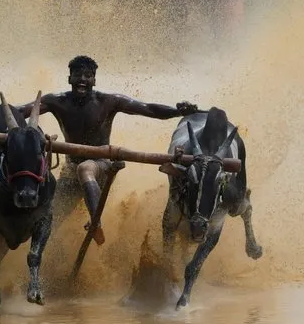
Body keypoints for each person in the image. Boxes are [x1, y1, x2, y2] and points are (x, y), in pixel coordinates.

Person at [16, 56, 199, 245]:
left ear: (94, 80)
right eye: (78, 75)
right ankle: (53, 264)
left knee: (85, 169)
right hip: (71, 170)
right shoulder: (56, 101)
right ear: (69, 78)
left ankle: (96, 223)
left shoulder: (109, 101)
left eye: (88, 76)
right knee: (48, 222)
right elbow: (22, 110)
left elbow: (148, 109)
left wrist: (178, 111)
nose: (82, 80)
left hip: (102, 165)